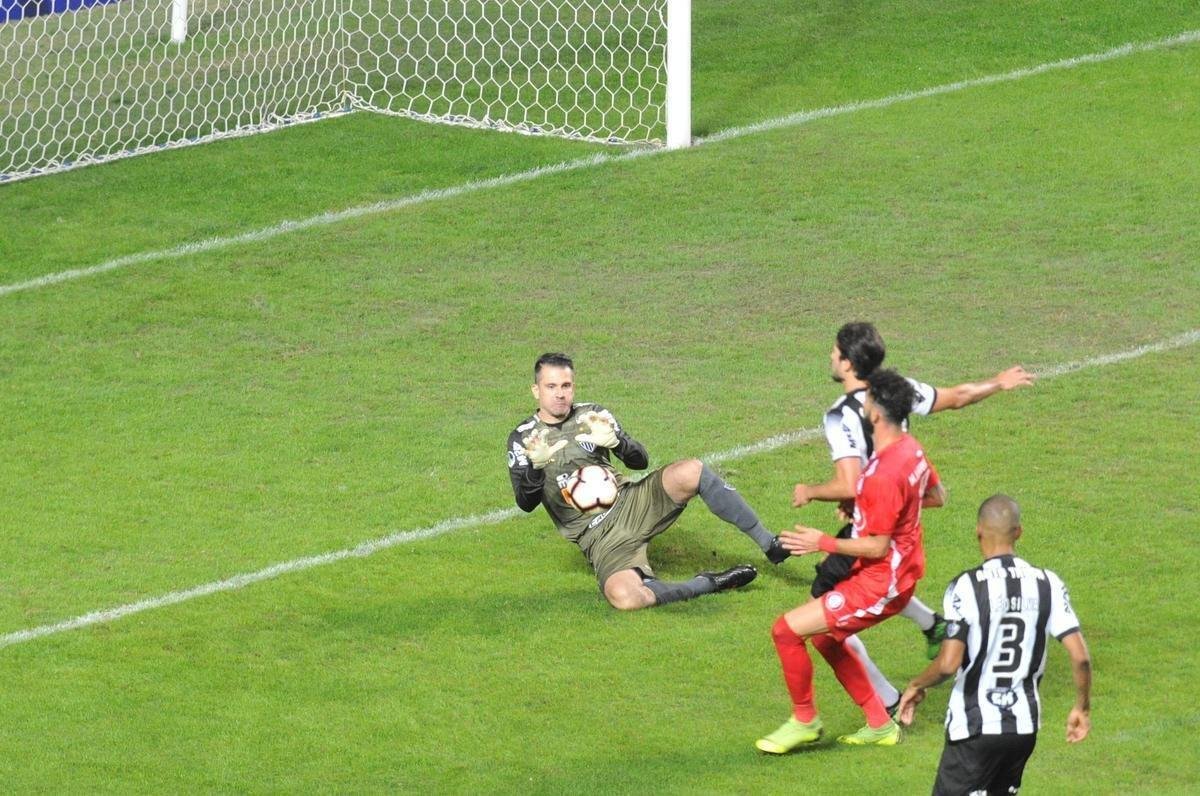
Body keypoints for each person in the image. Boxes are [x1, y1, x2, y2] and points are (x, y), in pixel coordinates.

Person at [789, 321, 1035, 712]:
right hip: (896, 510)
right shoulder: (898, 390)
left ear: (849, 363)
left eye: (835, 352)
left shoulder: (841, 414)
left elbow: (851, 483)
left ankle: (884, 700)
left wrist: (811, 491)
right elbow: (956, 397)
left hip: (873, 522)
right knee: (881, 583)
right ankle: (934, 626)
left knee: (824, 615)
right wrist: (997, 382)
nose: (830, 357)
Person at [756, 369, 945, 753]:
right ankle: (879, 722)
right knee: (826, 637)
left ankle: (804, 720)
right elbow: (936, 495)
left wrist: (821, 541)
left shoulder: (881, 472)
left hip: (882, 579)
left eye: (868, 399)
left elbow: (876, 546)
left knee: (785, 631)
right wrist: (869, 508)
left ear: (875, 413)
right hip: (899, 567)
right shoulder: (911, 449)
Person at [507, 352, 782, 610]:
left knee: (691, 470)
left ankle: (769, 544)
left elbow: (640, 462)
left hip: (630, 502)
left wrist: (618, 443)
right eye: (551, 386)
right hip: (597, 535)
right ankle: (708, 583)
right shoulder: (524, 438)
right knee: (626, 598)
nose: (560, 394)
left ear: (573, 387)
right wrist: (535, 466)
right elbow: (526, 503)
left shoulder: (591, 415)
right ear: (536, 390)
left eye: (565, 385)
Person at [896, 495, 1092, 795]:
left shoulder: (966, 586)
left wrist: (916, 684)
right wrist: (1081, 707)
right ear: (1019, 532)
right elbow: (1080, 657)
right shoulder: (1047, 583)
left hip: (975, 726)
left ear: (978, 532)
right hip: (1023, 729)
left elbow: (949, 663)